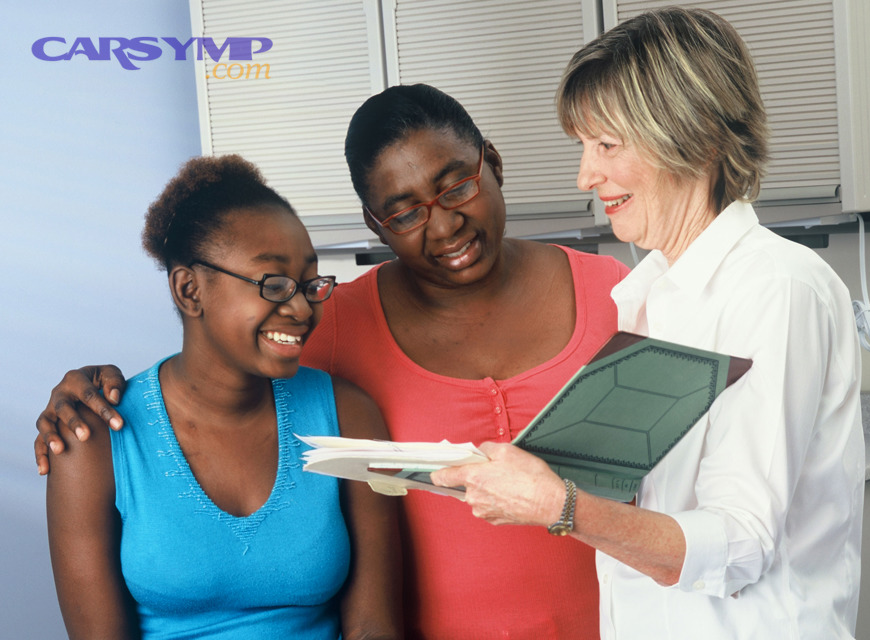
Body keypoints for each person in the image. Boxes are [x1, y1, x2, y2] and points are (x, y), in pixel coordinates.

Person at [34, 84, 629, 638]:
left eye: (456, 188)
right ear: (377, 224)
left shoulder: (621, 295)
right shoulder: (330, 331)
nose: (444, 223)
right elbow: (226, 364)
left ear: (491, 165)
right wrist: (85, 387)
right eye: (404, 212)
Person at [430, 7, 866, 640]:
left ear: (699, 137)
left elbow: (740, 544)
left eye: (608, 145)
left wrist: (558, 507)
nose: (586, 176)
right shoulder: (651, 293)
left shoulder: (776, 288)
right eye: (584, 146)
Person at [44, 154, 402, 639]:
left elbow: (374, 625)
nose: (300, 307)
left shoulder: (350, 417)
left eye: (309, 282)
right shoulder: (94, 439)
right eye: (273, 283)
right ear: (189, 289)